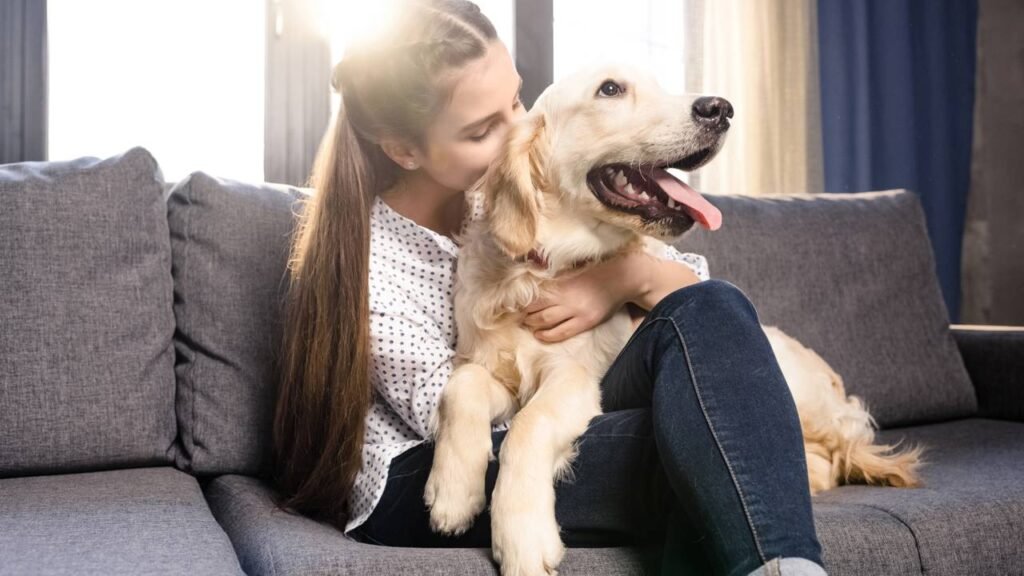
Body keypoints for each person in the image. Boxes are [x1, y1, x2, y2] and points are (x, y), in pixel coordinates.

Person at [270, 1, 828, 574]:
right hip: (427, 471)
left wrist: (619, 279)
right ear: (404, 149)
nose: (522, 128)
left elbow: (703, 318)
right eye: (482, 129)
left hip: (549, 424)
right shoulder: (365, 256)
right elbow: (453, 416)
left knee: (715, 321)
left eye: (515, 98)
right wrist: (538, 417)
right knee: (703, 440)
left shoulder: (530, 193)